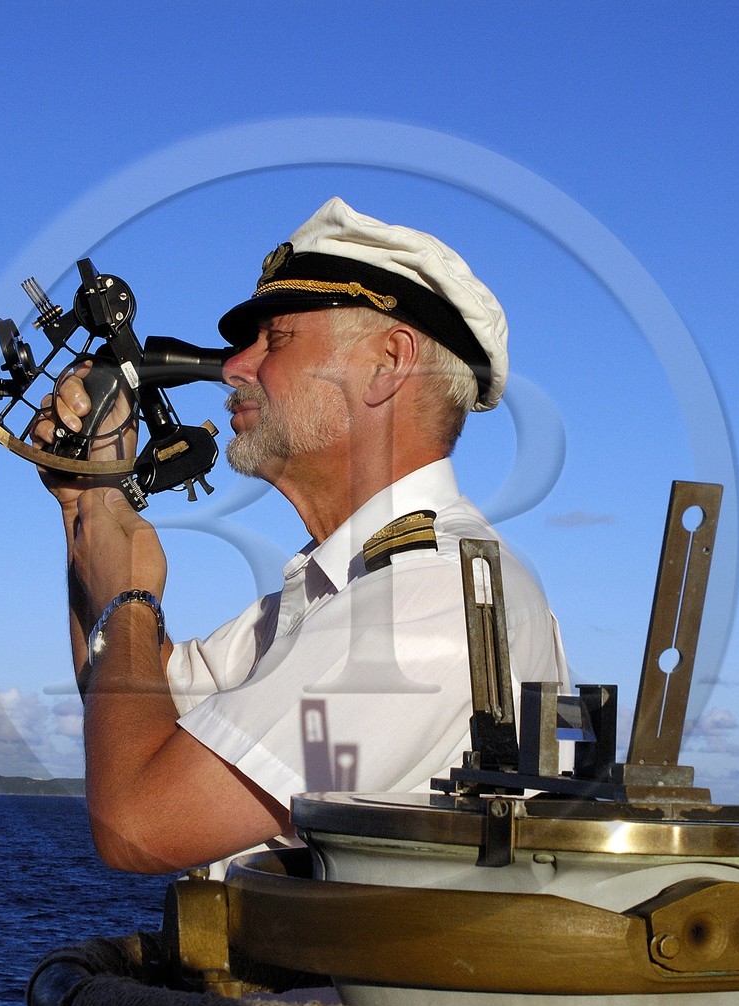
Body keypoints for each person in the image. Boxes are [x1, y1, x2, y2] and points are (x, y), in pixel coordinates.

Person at [38, 198, 569, 875]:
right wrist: (89, 504)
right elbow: (128, 697)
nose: (234, 367)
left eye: (275, 340)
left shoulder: (430, 599)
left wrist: (131, 589)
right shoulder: (346, 590)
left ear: (388, 361)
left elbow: (137, 822)